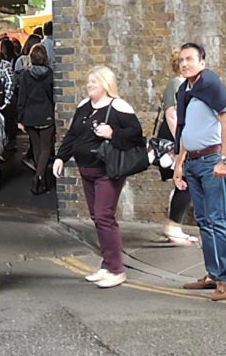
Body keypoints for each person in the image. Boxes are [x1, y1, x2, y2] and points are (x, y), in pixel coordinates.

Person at [52, 66, 143, 288]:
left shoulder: (119, 107)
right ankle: (107, 264)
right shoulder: (84, 106)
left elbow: (136, 135)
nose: (88, 84)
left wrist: (113, 133)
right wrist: (61, 157)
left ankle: (116, 269)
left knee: (104, 216)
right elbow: (73, 134)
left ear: (105, 84)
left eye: (93, 81)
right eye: (88, 81)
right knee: (97, 217)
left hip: (107, 171)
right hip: (86, 170)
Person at [172, 42, 226, 302]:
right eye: (181, 60)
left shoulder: (210, 85)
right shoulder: (184, 90)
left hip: (211, 160)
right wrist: (179, 164)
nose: (185, 63)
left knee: (218, 219)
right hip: (193, 162)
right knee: (203, 220)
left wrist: (225, 160)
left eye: (190, 59)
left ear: (202, 62)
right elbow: (185, 128)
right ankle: (213, 273)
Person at [159, 50, 196, 245]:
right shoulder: (176, 84)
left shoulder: (187, 85)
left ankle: (173, 225)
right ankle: (173, 226)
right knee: (185, 180)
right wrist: (182, 142)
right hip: (175, 139)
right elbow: (171, 115)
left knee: (182, 181)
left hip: (181, 139)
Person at [15, 44, 55, 195]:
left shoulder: (26, 75)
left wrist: (20, 118)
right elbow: (52, 96)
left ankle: (40, 179)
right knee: (46, 149)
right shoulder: (50, 74)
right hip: (46, 114)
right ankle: (39, 178)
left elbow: (22, 97)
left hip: (30, 116)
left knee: (37, 148)